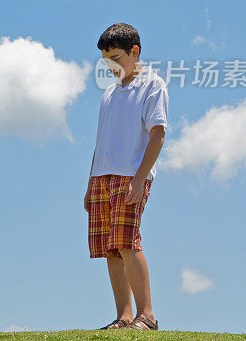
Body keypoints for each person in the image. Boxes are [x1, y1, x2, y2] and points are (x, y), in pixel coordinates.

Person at [85, 23, 169, 331]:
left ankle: (146, 316)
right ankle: (123, 317)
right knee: (111, 247)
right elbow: (101, 141)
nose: (111, 65)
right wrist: (90, 183)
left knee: (127, 242)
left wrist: (139, 177)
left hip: (131, 175)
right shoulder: (109, 93)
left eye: (117, 58)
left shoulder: (153, 85)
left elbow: (157, 135)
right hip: (101, 177)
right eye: (106, 60)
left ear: (134, 51)